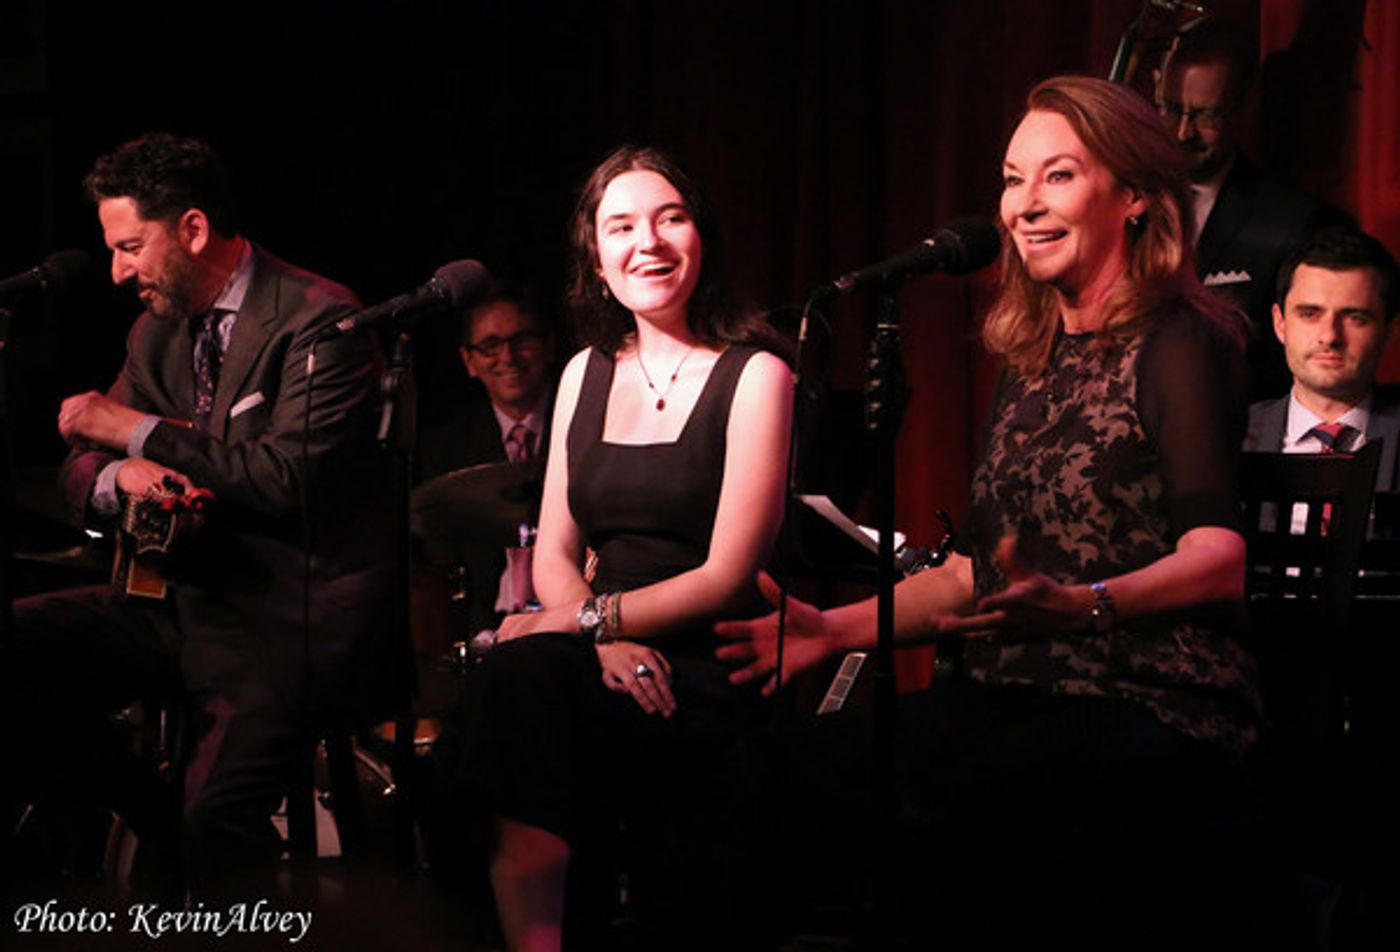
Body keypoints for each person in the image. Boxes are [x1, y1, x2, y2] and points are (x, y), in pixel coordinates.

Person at [717, 76, 1262, 946]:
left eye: (1058, 176)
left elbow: (1219, 556)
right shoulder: (1032, 358)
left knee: (966, 807)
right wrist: (833, 630)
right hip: (1013, 691)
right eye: (1013, 179)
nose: (1023, 205)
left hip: (1148, 697)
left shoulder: (1177, 342)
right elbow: (974, 573)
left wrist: (1085, 606)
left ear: (1132, 200)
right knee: (769, 774)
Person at [2, 133, 395, 894]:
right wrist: (125, 478)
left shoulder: (321, 320)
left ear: (191, 228)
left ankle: (182, 842)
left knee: (212, 821)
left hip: (287, 621)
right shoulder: (159, 330)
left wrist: (136, 432)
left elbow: (288, 478)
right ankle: (153, 820)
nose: (117, 272)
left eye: (129, 247)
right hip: (179, 600)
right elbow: (80, 463)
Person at [448, 145, 791, 952]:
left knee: (526, 683)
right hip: (602, 646)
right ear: (597, 260)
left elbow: (728, 573)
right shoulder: (582, 374)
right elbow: (557, 551)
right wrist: (600, 635)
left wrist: (584, 626)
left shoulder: (756, 374)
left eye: (671, 218)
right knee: (518, 684)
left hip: (704, 657)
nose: (650, 241)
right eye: (623, 225)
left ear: (701, 239)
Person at [1154, 16, 1346, 399]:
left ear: (1243, 108)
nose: (1182, 133)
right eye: (1172, 109)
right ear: (1156, 86)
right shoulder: (1117, 197)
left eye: (1206, 116)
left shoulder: (1294, 222)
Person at [416, 283, 557, 637]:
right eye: (491, 345)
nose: (508, 357)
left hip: (572, 615)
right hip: (485, 625)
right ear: (470, 361)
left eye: (522, 340)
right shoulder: (444, 448)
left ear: (549, 346)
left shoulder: (588, 428)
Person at [1244, 226, 1400, 491]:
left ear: (1389, 332)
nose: (1329, 336)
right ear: (1279, 323)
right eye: (1309, 314)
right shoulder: (1227, 438)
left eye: (1355, 318)